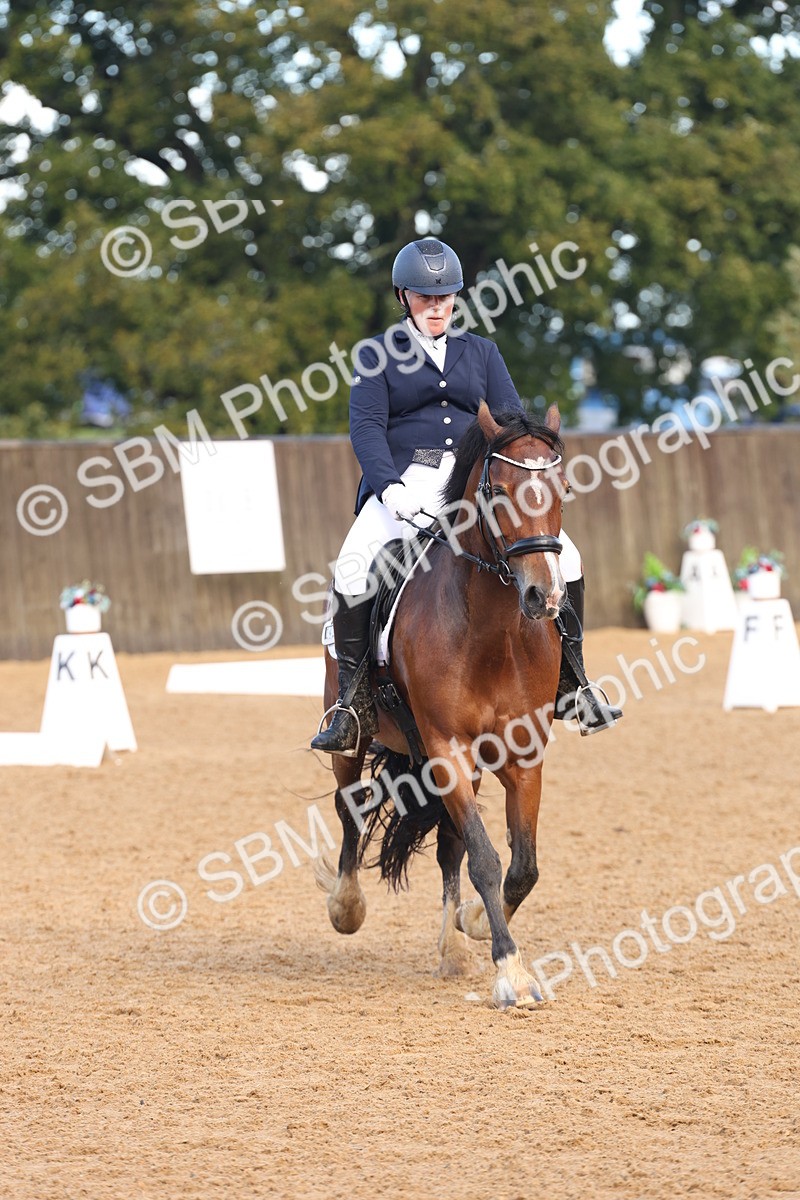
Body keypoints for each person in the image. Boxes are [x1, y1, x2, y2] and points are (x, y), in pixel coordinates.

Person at [311, 237, 622, 756]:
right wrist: (389, 488)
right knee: (351, 566)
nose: (437, 307)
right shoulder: (376, 355)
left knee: (568, 556)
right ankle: (352, 703)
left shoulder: (482, 352)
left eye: (445, 297)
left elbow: (508, 423)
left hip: (477, 482)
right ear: (403, 297)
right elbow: (366, 428)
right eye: (425, 298)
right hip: (406, 482)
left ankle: (574, 684)